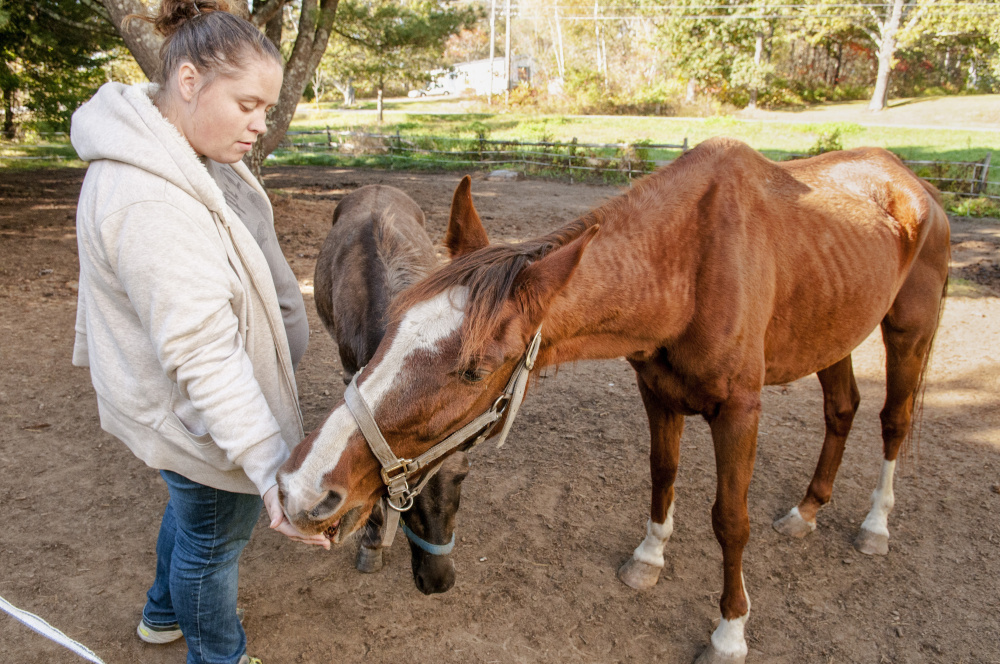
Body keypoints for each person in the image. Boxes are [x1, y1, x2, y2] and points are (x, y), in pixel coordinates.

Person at [70, 1, 329, 662]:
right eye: (248, 104)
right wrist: (273, 470)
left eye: (266, 109)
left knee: (194, 521)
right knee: (213, 545)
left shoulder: (181, 146)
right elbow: (204, 356)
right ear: (188, 81)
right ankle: (219, 655)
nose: (259, 125)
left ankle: (161, 614)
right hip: (210, 423)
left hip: (202, 420)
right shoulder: (150, 201)